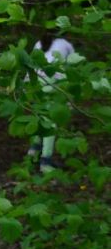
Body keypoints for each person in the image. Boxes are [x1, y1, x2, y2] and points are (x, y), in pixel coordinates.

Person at [27, 34, 77, 172]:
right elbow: (74, 66)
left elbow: (31, 64)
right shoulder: (65, 44)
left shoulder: (39, 42)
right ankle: (45, 162)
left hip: (37, 84)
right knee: (51, 123)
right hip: (55, 84)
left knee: (41, 118)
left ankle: (33, 152)